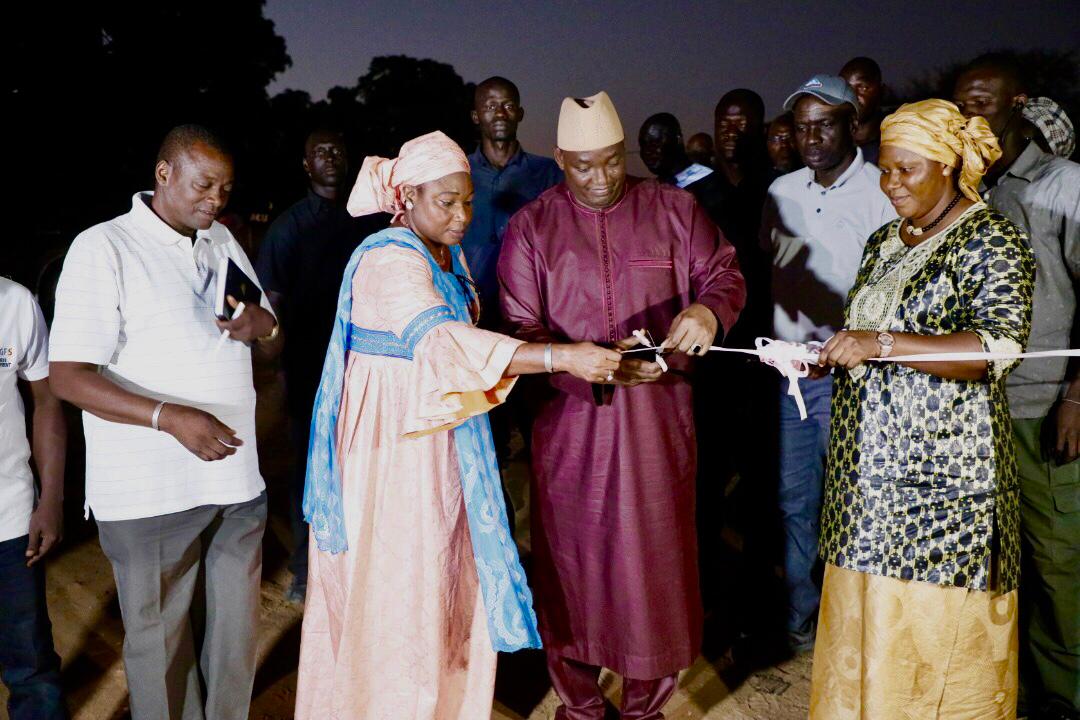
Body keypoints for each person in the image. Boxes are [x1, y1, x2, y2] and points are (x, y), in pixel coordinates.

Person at [294, 130, 621, 720]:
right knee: (403, 586)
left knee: (444, 578)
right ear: (408, 198)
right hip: (392, 453)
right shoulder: (390, 260)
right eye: (446, 201)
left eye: (467, 200)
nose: (462, 214)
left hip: (439, 442)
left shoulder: (446, 254)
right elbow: (444, 344)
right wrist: (561, 356)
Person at [499, 91, 746, 720]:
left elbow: (722, 273)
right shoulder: (532, 226)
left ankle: (644, 707)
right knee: (572, 565)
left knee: (655, 564)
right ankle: (580, 706)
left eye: (612, 162)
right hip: (570, 426)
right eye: (584, 166)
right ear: (559, 159)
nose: (602, 178)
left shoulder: (674, 208)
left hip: (658, 422)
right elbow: (522, 330)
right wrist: (575, 360)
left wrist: (706, 310)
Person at [810, 98, 1035, 720]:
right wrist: (832, 352)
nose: (890, 183)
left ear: (949, 166)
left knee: (936, 647)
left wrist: (879, 344)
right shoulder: (886, 240)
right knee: (865, 631)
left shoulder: (990, 237)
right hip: (868, 481)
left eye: (906, 170)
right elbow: (871, 330)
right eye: (884, 169)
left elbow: (999, 348)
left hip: (943, 487)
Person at [49, 125, 280, 720]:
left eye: (225, 188)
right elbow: (69, 376)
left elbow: (266, 336)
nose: (217, 200)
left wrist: (266, 326)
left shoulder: (222, 238)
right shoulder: (104, 248)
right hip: (150, 494)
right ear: (163, 174)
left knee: (232, 646)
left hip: (235, 483)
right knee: (162, 651)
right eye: (204, 185)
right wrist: (169, 417)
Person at [956, 56, 1080, 720]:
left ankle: (1061, 700)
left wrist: (1077, 398)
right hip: (980, 413)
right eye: (961, 105)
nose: (972, 116)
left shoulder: (1064, 185)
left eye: (984, 102)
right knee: (998, 563)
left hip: (1045, 408)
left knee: (1058, 569)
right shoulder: (970, 192)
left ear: (1018, 102)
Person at [759, 74, 896, 652]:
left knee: (858, 500)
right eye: (801, 125)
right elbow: (776, 272)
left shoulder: (885, 192)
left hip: (862, 383)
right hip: (794, 381)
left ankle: (854, 626)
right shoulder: (782, 191)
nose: (811, 136)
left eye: (824, 123)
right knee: (796, 500)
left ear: (853, 125)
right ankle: (800, 619)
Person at [255, 127, 386, 603]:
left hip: (369, 362)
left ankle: (361, 561)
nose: (330, 157)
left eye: (337, 149)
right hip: (311, 364)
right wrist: (278, 359)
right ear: (306, 165)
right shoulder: (289, 227)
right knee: (312, 462)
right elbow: (272, 303)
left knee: (367, 461)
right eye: (319, 153)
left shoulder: (369, 221)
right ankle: (306, 567)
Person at [0, 278, 67, 720]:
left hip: (8, 516)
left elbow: (46, 401)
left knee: (30, 661)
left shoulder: (15, 302)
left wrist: (52, 499)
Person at [839, 56, 885, 164]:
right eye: (847, 89)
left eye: (863, 88)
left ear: (882, 91)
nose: (853, 96)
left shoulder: (899, 140)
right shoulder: (829, 143)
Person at [766, 112, 802, 177]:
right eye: (776, 139)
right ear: (768, 143)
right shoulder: (758, 178)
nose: (784, 145)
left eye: (790, 138)